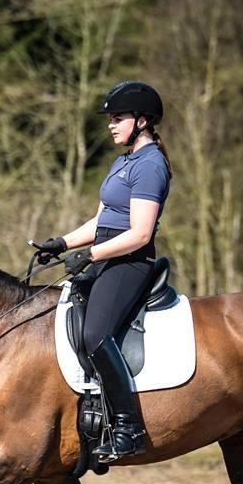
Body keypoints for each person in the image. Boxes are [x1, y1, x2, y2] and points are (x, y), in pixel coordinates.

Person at [35, 81, 172, 461]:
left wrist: (91, 255)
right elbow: (100, 222)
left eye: (118, 118)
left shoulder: (150, 166)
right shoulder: (122, 162)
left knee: (96, 334)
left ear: (141, 121)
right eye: (110, 119)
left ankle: (128, 428)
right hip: (107, 254)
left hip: (130, 261)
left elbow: (140, 233)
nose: (111, 125)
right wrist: (61, 244)